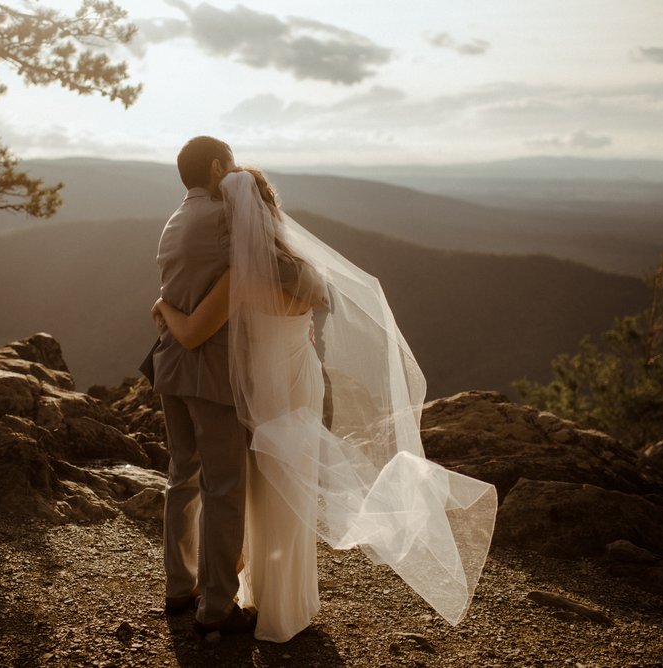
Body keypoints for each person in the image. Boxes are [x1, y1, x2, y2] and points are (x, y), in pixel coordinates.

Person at [153, 164, 499, 643]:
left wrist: (164, 308)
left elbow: (193, 332)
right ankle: (282, 599)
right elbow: (310, 315)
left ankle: (241, 595)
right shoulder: (304, 273)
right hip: (298, 383)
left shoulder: (237, 278)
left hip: (257, 389)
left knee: (243, 489)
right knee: (278, 490)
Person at [153, 136, 256, 635]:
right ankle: (217, 606)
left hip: (169, 366)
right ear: (218, 168)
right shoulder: (224, 219)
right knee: (225, 487)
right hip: (212, 372)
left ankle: (178, 587)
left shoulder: (174, 220)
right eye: (231, 166)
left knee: (182, 476)